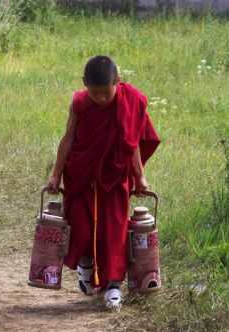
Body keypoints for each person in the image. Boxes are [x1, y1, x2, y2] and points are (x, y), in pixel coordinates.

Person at [47, 55, 160, 310]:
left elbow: (130, 144)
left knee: (114, 232)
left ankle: (113, 285)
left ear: (117, 82)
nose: (99, 98)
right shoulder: (79, 103)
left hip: (115, 175)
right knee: (82, 226)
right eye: (94, 92)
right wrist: (55, 173)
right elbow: (68, 139)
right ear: (84, 84)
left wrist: (139, 176)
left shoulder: (130, 102)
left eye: (105, 93)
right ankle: (86, 263)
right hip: (81, 175)